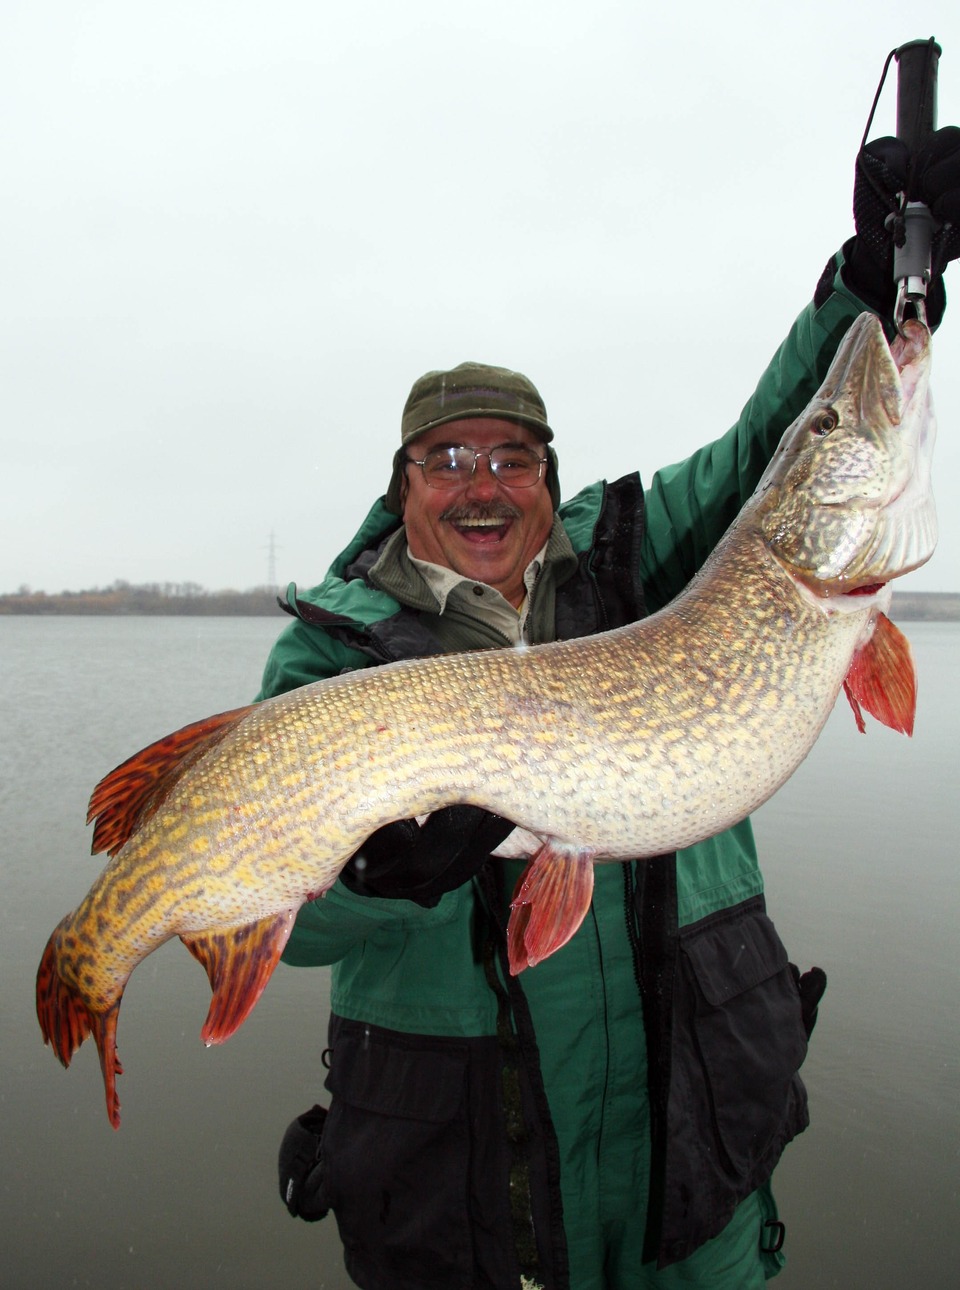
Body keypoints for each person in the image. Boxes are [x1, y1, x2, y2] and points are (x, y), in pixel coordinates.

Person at [264, 126, 960, 1290]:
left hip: (697, 1166)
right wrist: (379, 876)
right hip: (469, 1197)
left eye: (514, 458)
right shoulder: (326, 658)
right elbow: (282, 914)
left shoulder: (642, 556)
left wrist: (863, 277)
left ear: (550, 476)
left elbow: (771, 449)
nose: (482, 485)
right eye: (447, 459)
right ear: (400, 486)